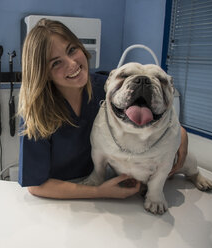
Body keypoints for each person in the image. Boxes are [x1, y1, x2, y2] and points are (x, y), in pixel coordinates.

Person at [17, 18, 188, 199]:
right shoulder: (36, 113)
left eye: (72, 50)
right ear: (44, 73)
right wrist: (99, 192)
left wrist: (180, 134)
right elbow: (36, 186)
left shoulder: (107, 88)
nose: (72, 63)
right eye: (56, 63)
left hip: (109, 185)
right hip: (60, 196)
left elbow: (149, 109)